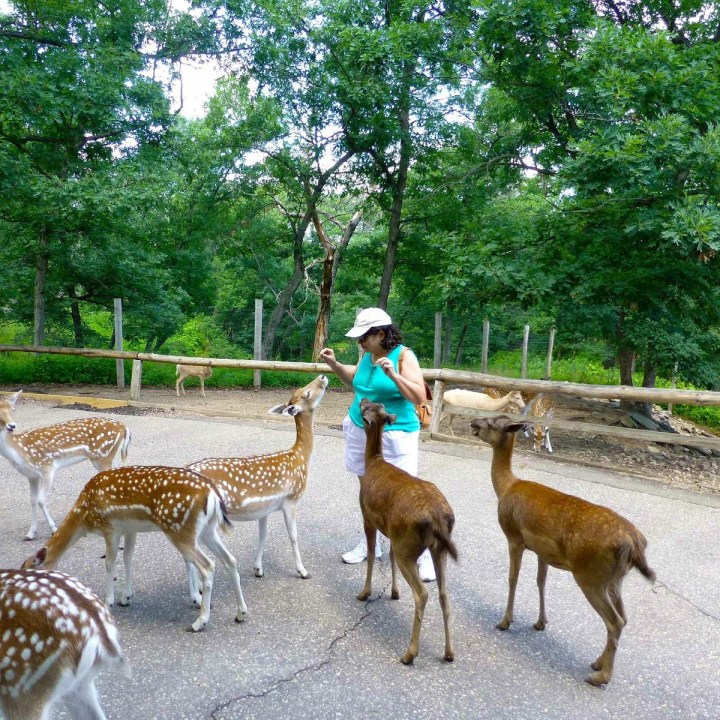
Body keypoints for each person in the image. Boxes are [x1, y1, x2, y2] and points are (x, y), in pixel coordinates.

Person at [320, 307, 436, 582]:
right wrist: (335, 365)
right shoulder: (368, 356)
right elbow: (358, 382)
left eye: (364, 337)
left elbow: (419, 396)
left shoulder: (404, 356)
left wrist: (395, 374)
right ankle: (371, 543)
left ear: (381, 334)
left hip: (396, 434)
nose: (359, 342)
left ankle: (424, 555)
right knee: (369, 492)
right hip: (362, 428)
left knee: (406, 495)